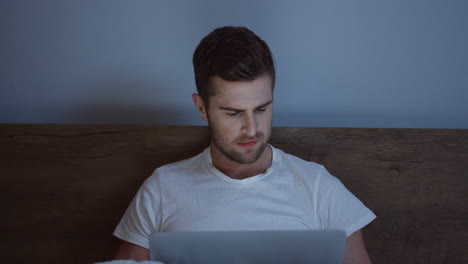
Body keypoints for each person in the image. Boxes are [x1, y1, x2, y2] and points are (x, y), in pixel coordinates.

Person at [113, 26, 376, 263]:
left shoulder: (318, 188)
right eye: (233, 113)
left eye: (261, 109)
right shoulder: (161, 189)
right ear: (202, 108)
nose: (252, 129)